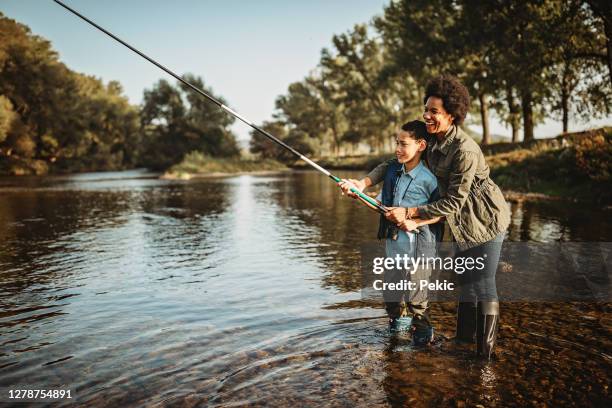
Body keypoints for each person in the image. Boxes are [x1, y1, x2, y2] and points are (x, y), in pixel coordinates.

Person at [347, 75, 510, 360]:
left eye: (434, 111)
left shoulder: (465, 150)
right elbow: (392, 162)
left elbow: (455, 200)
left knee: (483, 282)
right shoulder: (429, 138)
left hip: (486, 221)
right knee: (465, 281)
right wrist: (363, 184)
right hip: (457, 222)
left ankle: (484, 358)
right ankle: (462, 343)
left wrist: (410, 213)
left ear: (452, 114)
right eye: (426, 109)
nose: (427, 115)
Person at [339, 120, 443, 346]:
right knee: (392, 297)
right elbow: (381, 208)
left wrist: (414, 222)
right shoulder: (393, 173)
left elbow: (442, 214)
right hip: (394, 248)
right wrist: (358, 194)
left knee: (417, 301)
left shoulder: (429, 179)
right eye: (396, 143)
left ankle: (423, 339)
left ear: (421, 145)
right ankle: (398, 332)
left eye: (403, 144)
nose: (397, 149)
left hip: (420, 251)